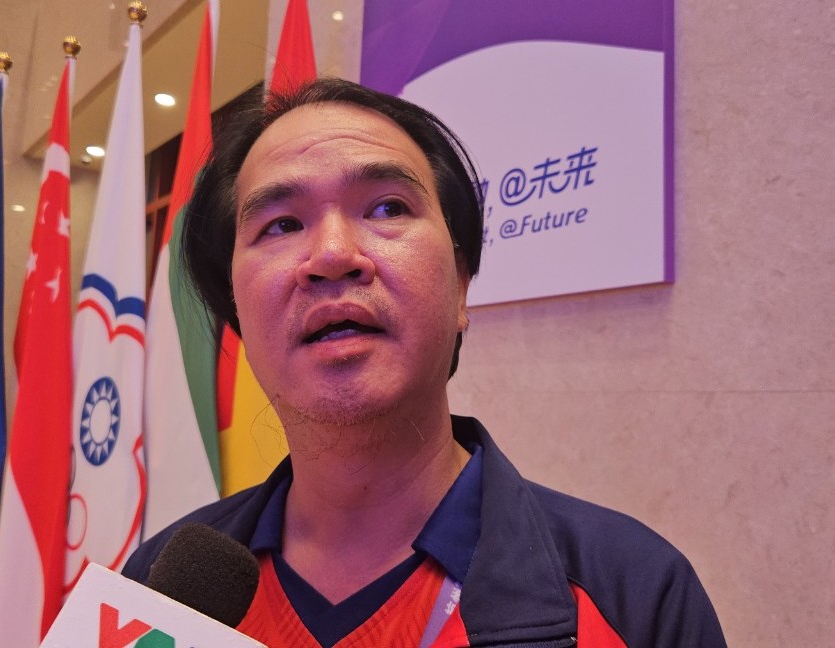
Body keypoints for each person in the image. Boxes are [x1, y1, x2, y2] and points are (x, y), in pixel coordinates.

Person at [123, 78, 726, 647]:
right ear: (236, 310)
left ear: (461, 284)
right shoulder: (157, 592)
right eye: (281, 224)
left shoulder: (635, 594)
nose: (332, 255)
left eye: (387, 208)